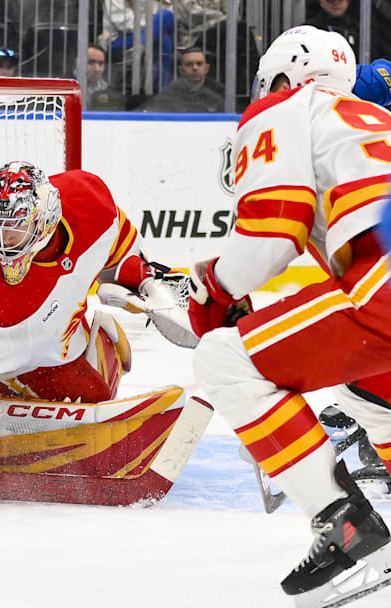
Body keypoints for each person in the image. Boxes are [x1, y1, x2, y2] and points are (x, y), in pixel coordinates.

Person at [189, 25, 391, 600]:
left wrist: (217, 286)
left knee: (224, 360)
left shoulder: (287, 105)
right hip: (379, 283)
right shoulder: (374, 120)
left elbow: (272, 235)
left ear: (282, 76)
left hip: (384, 285)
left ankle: (349, 533)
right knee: (373, 398)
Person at [0, 161, 176, 412]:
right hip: (0, 368)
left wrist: (139, 275)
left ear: (43, 219)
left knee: (105, 363)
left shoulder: (88, 202)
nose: (3, 239)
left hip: (63, 351)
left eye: (15, 227)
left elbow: (115, 241)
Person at [139, 47, 224, 112]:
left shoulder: (219, 91)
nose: (195, 68)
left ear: (206, 68)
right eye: (189, 64)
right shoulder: (169, 93)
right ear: (181, 70)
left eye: (199, 64)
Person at [82, 43, 125, 110]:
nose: (97, 69)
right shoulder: (64, 89)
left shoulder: (113, 96)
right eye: (91, 62)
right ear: (77, 63)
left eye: (101, 64)